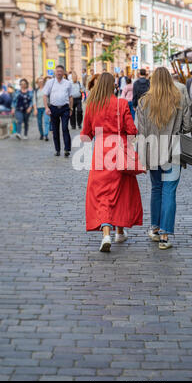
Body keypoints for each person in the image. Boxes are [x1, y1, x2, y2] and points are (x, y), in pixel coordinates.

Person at [80, 72, 143, 252]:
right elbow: (131, 130)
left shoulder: (92, 105)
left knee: (102, 194)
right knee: (121, 192)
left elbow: (86, 135)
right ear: (113, 86)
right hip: (119, 152)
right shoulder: (121, 103)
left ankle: (106, 233)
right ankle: (119, 232)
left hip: (101, 153)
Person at [137, 67, 192, 250]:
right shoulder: (179, 99)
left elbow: (142, 133)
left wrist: (142, 159)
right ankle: (165, 236)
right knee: (169, 190)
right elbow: (187, 126)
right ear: (170, 80)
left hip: (152, 150)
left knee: (156, 189)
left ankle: (154, 228)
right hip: (172, 150)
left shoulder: (143, 101)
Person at [43, 65, 73, 158]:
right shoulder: (50, 83)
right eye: (57, 71)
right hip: (53, 108)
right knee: (55, 130)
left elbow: (70, 97)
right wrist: (46, 108)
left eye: (61, 71)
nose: (59, 73)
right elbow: (45, 95)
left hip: (65, 108)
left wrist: (71, 108)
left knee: (65, 128)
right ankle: (57, 150)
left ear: (64, 72)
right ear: (55, 72)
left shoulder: (68, 83)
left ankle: (67, 149)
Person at [33, 76, 50, 141]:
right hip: (38, 108)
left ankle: (46, 135)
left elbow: (49, 98)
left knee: (46, 121)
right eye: (39, 82)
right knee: (39, 122)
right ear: (37, 83)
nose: (41, 83)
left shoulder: (47, 89)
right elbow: (34, 100)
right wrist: (35, 109)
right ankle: (41, 134)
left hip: (46, 107)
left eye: (42, 81)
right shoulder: (36, 91)